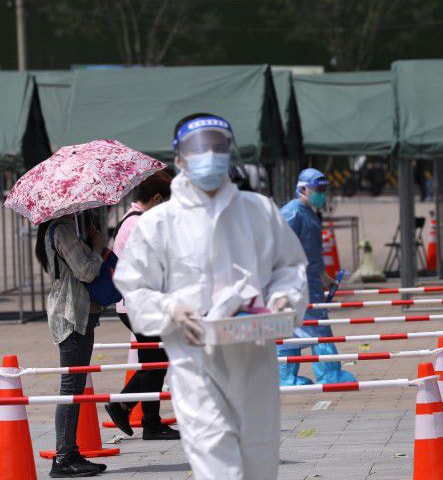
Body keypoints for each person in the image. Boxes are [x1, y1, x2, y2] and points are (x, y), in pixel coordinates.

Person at [113, 113, 308, 480]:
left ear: (230, 152)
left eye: (219, 146)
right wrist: (170, 309)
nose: (210, 155)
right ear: (180, 159)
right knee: (218, 465)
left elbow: (290, 268)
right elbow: (134, 288)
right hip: (195, 361)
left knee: (259, 464)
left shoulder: (258, 211)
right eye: (199, 148)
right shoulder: (159, 224)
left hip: (254, 357)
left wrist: (284, 299)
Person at [104, 170, 180, 441]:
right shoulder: (138, 224)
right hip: (138, 304)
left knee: (155, 361)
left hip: (136, 303)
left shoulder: (133, 220)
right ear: (158, 199)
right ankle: (129, 409)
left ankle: (144, 418)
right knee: (156, 361)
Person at [35, 212, 108, 477]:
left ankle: (70, 451)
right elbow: (86, 272)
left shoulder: (65, 229)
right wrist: (97, 247)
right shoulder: (62, 230)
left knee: (75, 388)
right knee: (70, 389)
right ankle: (64, 457)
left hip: (78, 313)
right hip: (71, 315)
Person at [278, 168, 356, 386]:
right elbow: (277, 247)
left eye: (324, 190)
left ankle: (286, 376)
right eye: (317, 189)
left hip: (308, 282)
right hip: (295, 282)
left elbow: (312, 254)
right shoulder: (292, 213)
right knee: (317, 327)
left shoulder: (308, 213)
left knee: (294, 328)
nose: (322, 194)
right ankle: (329, 375)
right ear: (303, 189)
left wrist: (324, 277)